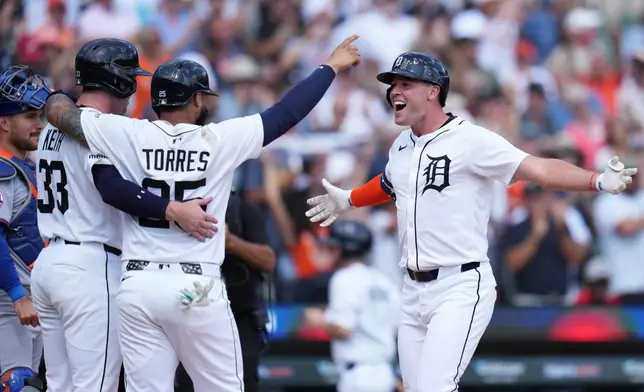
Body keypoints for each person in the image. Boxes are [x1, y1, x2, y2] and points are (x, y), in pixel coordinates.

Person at [42, 35, 361, 391]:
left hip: (137, 285)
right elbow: (287, 113)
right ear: (196, 100)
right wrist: (329, 67)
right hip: (195, 286)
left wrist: (55, 95)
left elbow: (62, 114)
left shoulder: (124, 133)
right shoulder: (220, 139)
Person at [305, 51, 638, 392]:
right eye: (393, 85)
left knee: (435, 387)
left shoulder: (470, 139)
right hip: (412, 289)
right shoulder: (402, 145)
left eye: (405, 84)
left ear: (433, 91)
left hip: (459, 284)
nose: (394, 92)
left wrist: (596, 179)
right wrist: (349, 199)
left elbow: (536, 168)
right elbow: (389, 183)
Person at [30, 38, 217, 392]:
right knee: (94, 387)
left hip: (51, 263)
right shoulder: (101, 128)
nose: (134, 86)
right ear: (118, 80)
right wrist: (172, 209)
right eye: (130, 77)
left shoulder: (55, 125)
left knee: (60, 386)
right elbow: (111, 188)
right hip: (90, 265)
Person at [175, 191, 276, 392]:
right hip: (192, 312)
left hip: (240, 315)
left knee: (243, 379)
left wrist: (231, 242)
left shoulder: (242, 209)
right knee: (188, 382)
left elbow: (269, 260)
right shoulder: (182, 207)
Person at [0, 65, 47, 391]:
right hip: (8, 301)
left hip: (31, 301)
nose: (39, 124)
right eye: (29, 116)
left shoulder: (24, 166)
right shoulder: (2, 170)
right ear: (4, 122)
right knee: (18, 384)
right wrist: (17, 295)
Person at [322, 220, 400, 392]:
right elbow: (396, 329)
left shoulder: (343, 278)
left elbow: (343, 329)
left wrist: (318, 321)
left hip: (358, 376)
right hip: (385, 373)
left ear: (343, 249)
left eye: (332, 247)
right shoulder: (384, 280)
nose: (329, 250)